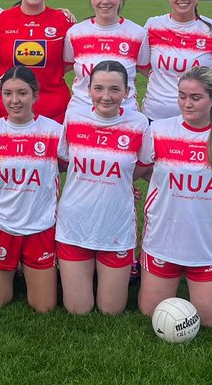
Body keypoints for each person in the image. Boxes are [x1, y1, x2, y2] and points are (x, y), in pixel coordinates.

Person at [137, 66, 212, 328]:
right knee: (150, 312)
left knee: (211, 320)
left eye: (196, 98)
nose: (187, 103)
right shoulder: (160, 130)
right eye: (182, 96)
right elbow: (140, 169)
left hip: (206, 242)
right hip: (163, 237)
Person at [55, 61, 151, 315]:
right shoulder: (74, 118)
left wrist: (123, 182)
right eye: (98, 88)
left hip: (116, 226)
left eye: (114, 89)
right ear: (89, 90)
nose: (106, 96)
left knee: (111, 310)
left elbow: (144, 166)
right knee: (79, 309)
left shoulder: (139, 124)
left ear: (127, 92)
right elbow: (62, 162)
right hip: (74, 223)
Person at [0, 67, 64, 312]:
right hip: (0, 225)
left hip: (41, 225)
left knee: (44, 307)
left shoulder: (54, 133)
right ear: (0, 96)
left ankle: (30, 268)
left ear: (35, 95)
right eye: (8, 93)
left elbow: (73, 168)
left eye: (22, 93)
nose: (15, 101)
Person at [0, 0, 75, 122]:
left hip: (53, 109)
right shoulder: (0, 20)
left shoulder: (64, 21)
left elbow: (69, 64)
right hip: (6, 109)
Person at [142, 0, 212, 121]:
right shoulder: (153, 26)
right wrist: (161, 77)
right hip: (155, 117)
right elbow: (142, 64)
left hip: (199, 120)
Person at [63, 0, 151, 113]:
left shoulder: (138, 34)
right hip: (81, 115)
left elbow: (147, 72)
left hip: (124, 116)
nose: (105, 1)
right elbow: (63, 68)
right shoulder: (75, 33)